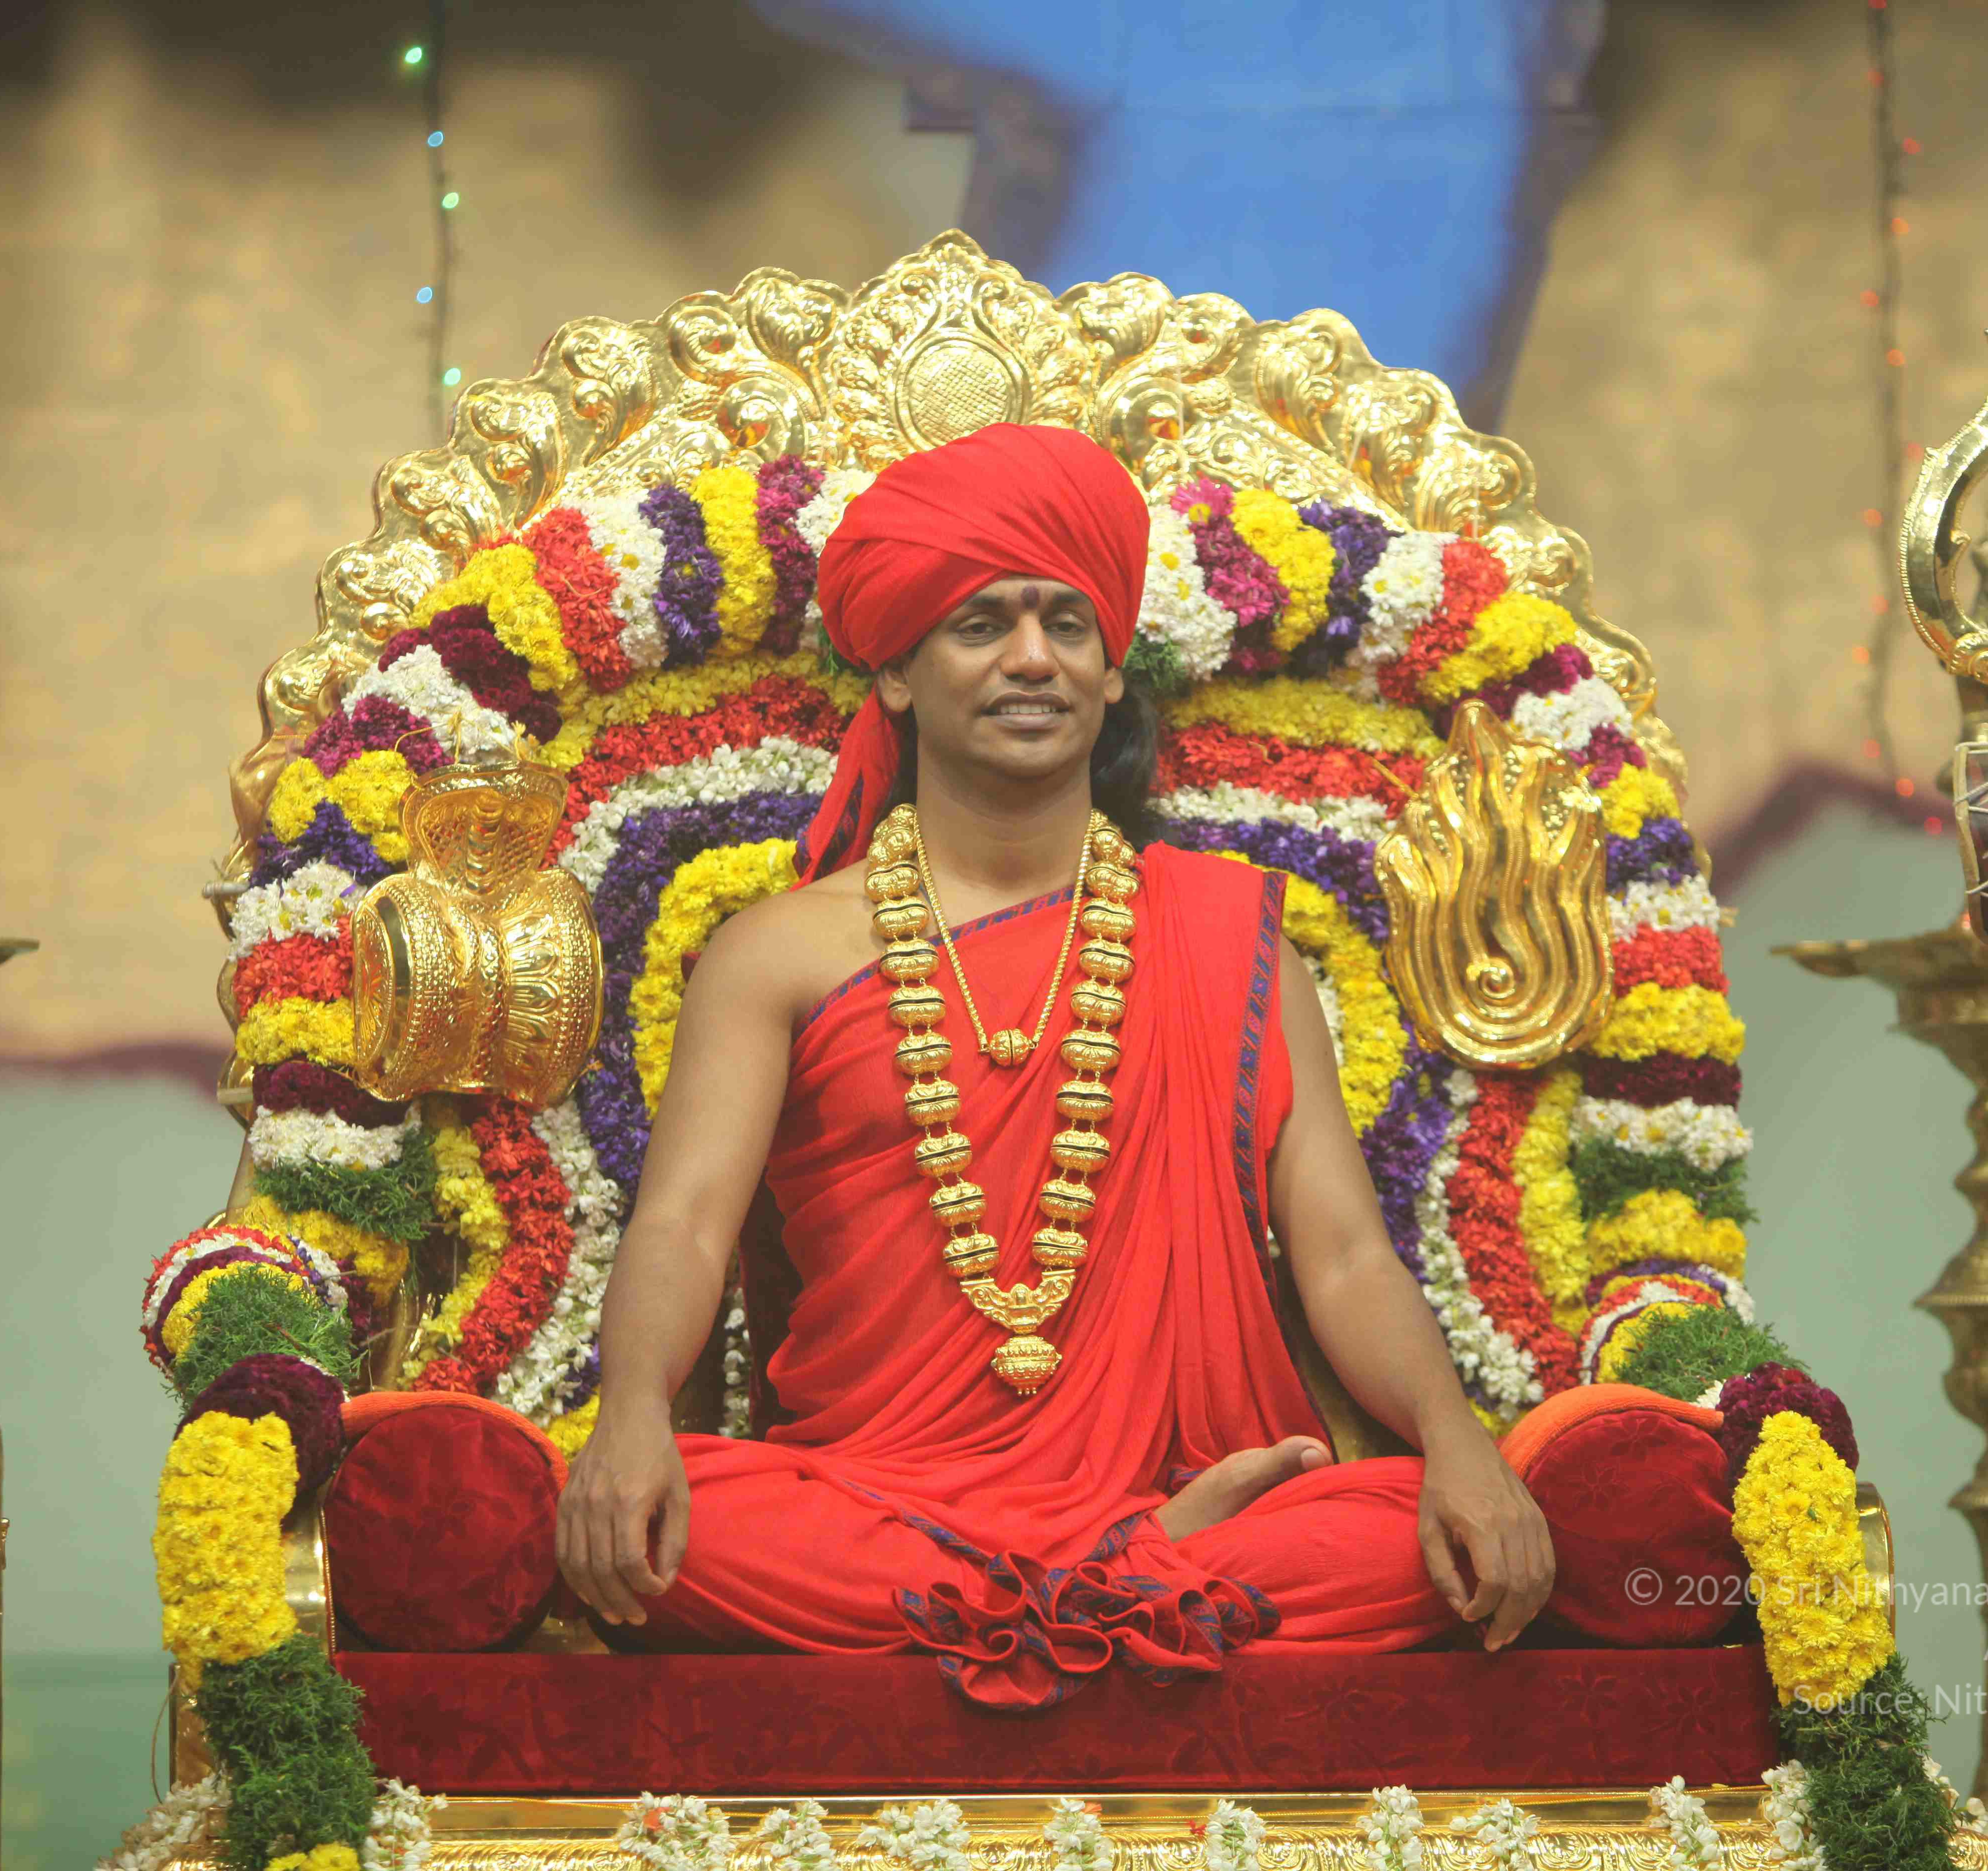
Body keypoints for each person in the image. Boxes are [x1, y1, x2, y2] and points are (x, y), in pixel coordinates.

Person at [553, 423, 1701, 1711]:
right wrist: (632, 1422)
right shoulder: (776, 954)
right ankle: (1138, 1587)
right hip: (883, 1499)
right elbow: (685, 1226)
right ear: (897, 674)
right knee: (688, 1529)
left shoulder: (1231, 936)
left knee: (1398, 1532)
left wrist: (1455, 1443)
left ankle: (1074, 1588)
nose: (1031, 658)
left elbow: (1341, 1255)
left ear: (1110, 676)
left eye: (1067, 624)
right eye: (980, 624)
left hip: (1193, 1489)